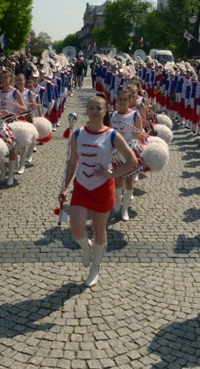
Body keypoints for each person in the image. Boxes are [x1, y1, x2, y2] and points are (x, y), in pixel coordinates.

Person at [61, 96, 136, 287]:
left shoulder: (112, 135)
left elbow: (132, 161)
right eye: (91, 108)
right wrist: (63, 187)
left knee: (99, 230)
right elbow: (72, 163)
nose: (94, 111)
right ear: (87, 111)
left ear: (105, 112)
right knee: (76, 228)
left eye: (98, 108)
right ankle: (86, 248)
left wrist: (112, 175)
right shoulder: (78, 134)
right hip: (81, 187)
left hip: (102, 189)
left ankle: (95, 269)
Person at [110, 89, 144, 221]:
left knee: (129, 181)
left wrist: (136, 136)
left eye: (125, 100)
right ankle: (118, 201)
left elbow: (139, 133)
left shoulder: (135, 115)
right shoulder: (112, 115)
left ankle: (125, 209)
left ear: (130, 101)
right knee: (117, 180)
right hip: (115, 152)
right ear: (117, 100)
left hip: (130, 152)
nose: (123, 102)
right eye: (120, 99)